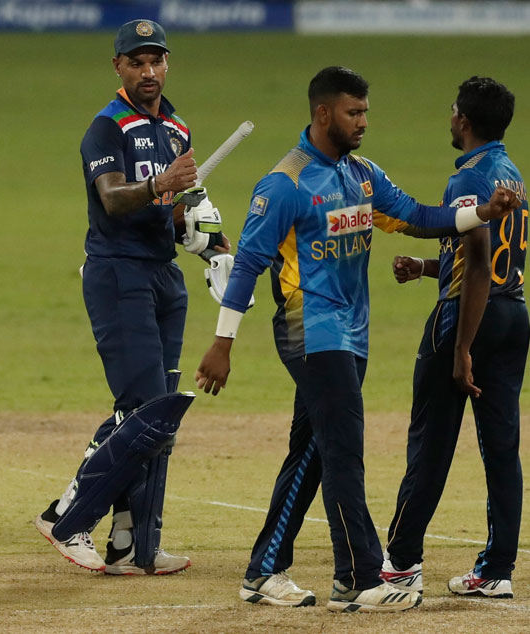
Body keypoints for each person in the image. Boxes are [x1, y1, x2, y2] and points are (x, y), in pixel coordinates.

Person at [193, 66, 521, 611]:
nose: (364, 121)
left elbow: (420, 218)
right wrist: (222, 343)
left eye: (366, 111)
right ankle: (359, 578)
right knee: (344, 450)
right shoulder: (285, 184)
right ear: (323, 114)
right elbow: (248, 263)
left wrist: (483, 212)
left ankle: (264, 570)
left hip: (352, 334)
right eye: (354, 112)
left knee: (313, 451)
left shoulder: (363, 175)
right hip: (310, 329)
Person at [33, 19, 227, 576]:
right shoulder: (106, 127)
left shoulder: (177, 129)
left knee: (158, 414)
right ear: (117, 66)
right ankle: (65, 516)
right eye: (136, 62)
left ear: (168, 63)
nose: (148, 71)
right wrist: (162, 184)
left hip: (164, 276)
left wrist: (215, 247)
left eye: (156, 60)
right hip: (119, 274)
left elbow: (183, 211)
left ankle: (132, 542)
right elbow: (114, 199)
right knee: (141, 408)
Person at [378, 77, 527, 599]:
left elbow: (480, 262)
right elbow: (488, 257)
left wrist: (461, 347)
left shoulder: (468, 177)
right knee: (502, 448)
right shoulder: (511, 173)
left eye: (452, 109)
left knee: (431, 443)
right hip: (513, 315)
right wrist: (425, 267)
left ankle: (401, 563)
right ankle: (497, 570)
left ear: (463, 119)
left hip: (466, 318)